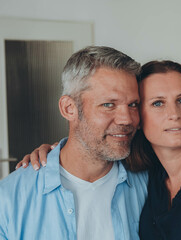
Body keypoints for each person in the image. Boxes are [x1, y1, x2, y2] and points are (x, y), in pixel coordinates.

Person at [18, 60, 181, 239]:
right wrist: (52, 154)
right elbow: (89, 152)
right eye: (158, 103)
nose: (174, 114)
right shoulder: (142, 175)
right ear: (136, 116)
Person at [0, 46, 148, 240]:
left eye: (133, 105)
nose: (127, 119)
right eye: (108, 105)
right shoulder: (9, 199)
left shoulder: (150, 184)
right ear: (69, 109)